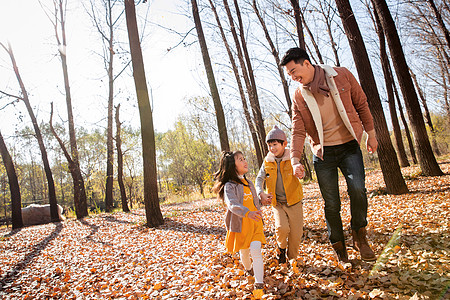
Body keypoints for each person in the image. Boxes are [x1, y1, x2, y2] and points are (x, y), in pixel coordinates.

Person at [279, 47, 378, 263]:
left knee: (358, 190)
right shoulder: (299, 95)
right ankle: (339, 246)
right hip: (323, 153)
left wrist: (371, 134)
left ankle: (359, 237)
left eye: (295, 71)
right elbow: (297, 130)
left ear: (307, 63)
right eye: (290, 76)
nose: (294, 78)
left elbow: (361, 104)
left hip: (349, 145)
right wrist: (295, 160)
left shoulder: (341, 75)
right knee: (331, 203)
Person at [213, 151, 266, 298]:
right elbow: (232, 204)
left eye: (244, 158)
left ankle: (259, 282)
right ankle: (249, 269)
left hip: (255, 223)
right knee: (244, 252)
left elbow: (255, 202)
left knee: (255, 249)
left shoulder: (249, 183)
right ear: (232, 166)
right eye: (240, 160)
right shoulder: (229, 186)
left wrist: (263, 201)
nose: (245, 161)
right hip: (241, 225)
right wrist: (246, 212)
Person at [255, 125, 304, 264]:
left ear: (284, 144)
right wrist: (261, 192)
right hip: (278, 203)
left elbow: (300, 171)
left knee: (296, 235)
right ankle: (281, 249)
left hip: (294, 201)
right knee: (282, 228)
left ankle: (292, 259)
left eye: (275, 145)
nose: (272, 148)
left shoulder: (292, 158)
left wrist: (301, 172)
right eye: (270, 145)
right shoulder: (267, 161)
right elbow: (259, 178)